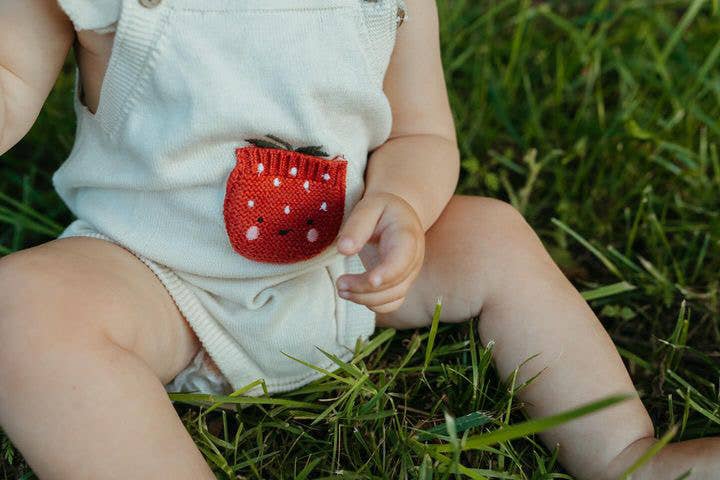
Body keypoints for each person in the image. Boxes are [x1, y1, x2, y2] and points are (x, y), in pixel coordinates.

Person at [0, 1, 718, 478]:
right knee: (22, 309)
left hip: (340, 272)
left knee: (493, 233)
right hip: (151, 277)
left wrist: (400, 201)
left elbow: (421, 133)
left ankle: (625, 452)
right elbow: (9, 72)